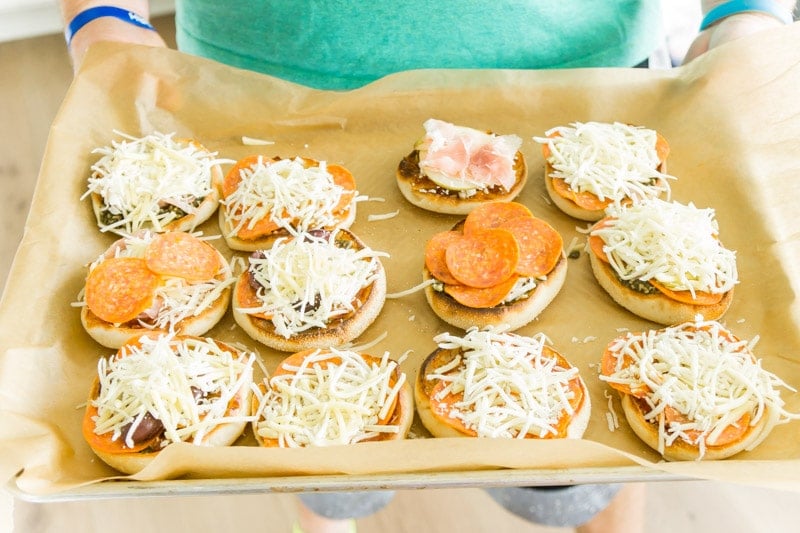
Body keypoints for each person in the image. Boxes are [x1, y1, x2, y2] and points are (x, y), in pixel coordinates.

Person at [58, 1, 797, 532]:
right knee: (317, 450)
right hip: (250, 86)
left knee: (585, 481)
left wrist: (747, 10)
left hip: (583, 81)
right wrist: (100, 15)